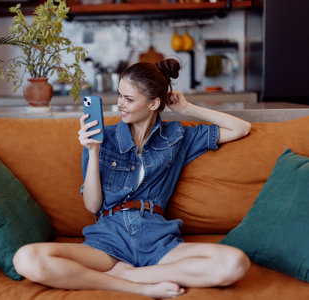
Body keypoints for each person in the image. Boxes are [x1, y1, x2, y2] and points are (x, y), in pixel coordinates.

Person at [13, 59, 252, 299]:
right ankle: (134, 286)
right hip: (108, 239)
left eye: (128, 99)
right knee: (26, 258)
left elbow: (241, 128)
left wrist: (187, 109)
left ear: (154, 103)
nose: (119, 105)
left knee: (235, 263)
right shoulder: (100, 138)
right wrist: (93, 151)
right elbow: (92, 206)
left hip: (157, 238)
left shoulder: (178, 135)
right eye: (119, 96)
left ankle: (128, 275)